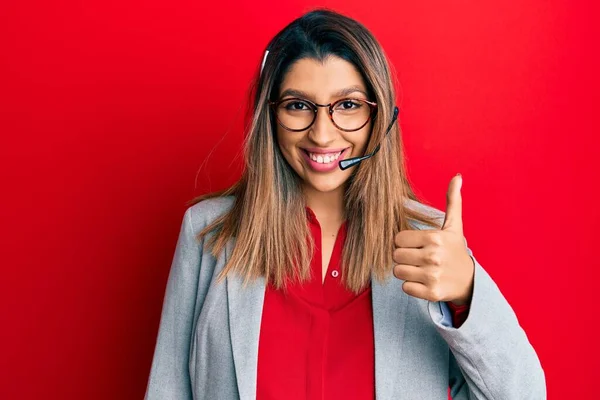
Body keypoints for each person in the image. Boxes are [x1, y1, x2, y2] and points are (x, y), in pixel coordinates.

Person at [144, 8, 546, 400]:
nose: (322, 134)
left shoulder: (431, 246)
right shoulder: (207, 234)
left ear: (380, 116)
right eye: (298, 105)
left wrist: (467, 291)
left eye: (348, 105)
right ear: (271, 115)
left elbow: (525, 394)